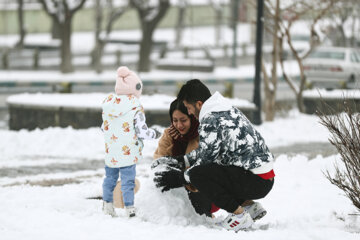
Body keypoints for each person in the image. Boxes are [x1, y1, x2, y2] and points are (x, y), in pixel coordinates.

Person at [152, 79, 275, 232]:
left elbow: (204, 165)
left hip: (255, 181)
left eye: (189, 108)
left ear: (199, 104)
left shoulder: (210, 118)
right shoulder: (224, 109)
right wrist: (181, 160)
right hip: (262, 178)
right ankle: (250, 207)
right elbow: (207, 151)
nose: (189, 112)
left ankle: (239, 216)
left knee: (199, 175)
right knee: (213, 169)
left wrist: (178, 178)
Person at [101, 66, 160, 218]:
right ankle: (129, 209)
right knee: (128, 181)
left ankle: (107, 205)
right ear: (136, 88)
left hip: (112, 151)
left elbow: (103, 127)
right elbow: (142, 131)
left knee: (110, 179)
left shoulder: (109, 104)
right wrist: (154, 133)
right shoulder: (135, 107)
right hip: (128, 152)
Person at [153, 99, 220, 217]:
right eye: (175, 120)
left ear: (192, 118)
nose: (179, 125)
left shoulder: (204, 133)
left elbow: (209, 169)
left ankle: (204, 214)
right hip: (177, 189)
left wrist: (182, 174)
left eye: (183, 120)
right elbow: (158, 162)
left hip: (206, 191)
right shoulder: (169, 135)